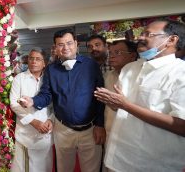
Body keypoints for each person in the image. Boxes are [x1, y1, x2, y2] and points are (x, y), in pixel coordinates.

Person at [95, 19, 185, 172]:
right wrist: (113, 102)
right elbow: (119, 109)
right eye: (141, 33)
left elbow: (182, 126)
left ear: (171, 40)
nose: (140, 38)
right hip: (117, 157)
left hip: (151, 163)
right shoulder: (130, 68)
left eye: (148, 34)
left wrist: (126, 105)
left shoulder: (180, 73)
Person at [19, 29, 105, 172]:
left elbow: (101, 97)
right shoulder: (51, 70)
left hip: (90, 130)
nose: (65, 48)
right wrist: (33, 101)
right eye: (60, 44)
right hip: (63, 130)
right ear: (55, 47)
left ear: (76, 44)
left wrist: (100, 124)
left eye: (69, 43)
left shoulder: (91, 66)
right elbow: (46, 95)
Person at [10, 47, 54, 172]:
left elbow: (54, 104)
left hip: (46, 133)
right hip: (25, 135)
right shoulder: (19, 78)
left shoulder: (49, 79)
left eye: (38, 59)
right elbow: (14, 104)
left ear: (44, 63)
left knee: (45, 167)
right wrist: (34, 122)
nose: (34, 62)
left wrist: (51, 120)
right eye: (31, 58)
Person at [102, 40, 137, 172]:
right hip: (109, 133)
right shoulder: (107, 76)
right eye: (110, 53)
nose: (112, 56)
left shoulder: (139, 78)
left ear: (132, 56)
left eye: (118, 52)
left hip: (130, 138)